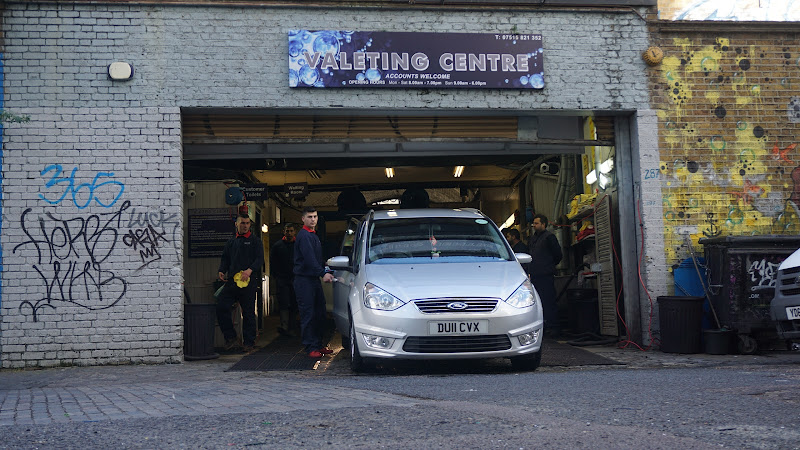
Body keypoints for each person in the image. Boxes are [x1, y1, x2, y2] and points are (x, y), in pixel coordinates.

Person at [216, 212, 264, 352]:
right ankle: (231, 338)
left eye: (247, 223)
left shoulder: (255, 241)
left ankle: (249, 342)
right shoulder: (231, 242)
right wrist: (222, 270)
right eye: (242, 223)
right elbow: (225, 258)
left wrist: (249, 270)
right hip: (232, 282)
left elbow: (259, 259)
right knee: (221, 307)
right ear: (236, 224)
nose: (245, 226)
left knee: (248, 313)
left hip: (248, 282)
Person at [293, 206, 335, 358]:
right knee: (308, 314)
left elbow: (316, 259)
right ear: (303, 219)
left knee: (320, 313)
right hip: (304, 280)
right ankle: (311, 347)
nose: (313, 219)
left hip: (313, 280)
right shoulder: (304, 236)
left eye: (315, 216)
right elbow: (310, 259)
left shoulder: (313, 235)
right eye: (310, 217)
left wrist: (327, 268)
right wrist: (322, 273)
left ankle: (318, 344)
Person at [527, 213, 563, 336]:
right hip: (535, 275)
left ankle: (554, 327)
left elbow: (558, 255)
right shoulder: (533, 239)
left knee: (549, 301)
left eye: (536, 223)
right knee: (538, 302)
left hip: (546, 275)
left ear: (543, 224)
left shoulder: (549, 237)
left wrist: (549, 265)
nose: (534, 225)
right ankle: (544, 327)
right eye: (533, 223)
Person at [270, 223, 298, 336]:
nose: (289, 233)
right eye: (287, 231)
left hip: (295, 278)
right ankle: (285, 326)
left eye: (291, 231)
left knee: (294, 303)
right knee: (284, 302)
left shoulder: (298, 245)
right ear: (284, 232)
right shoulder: (277, 246)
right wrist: (276, 276)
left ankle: (291, 327)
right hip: (282, 278)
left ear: (294, 232)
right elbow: (273, 262)